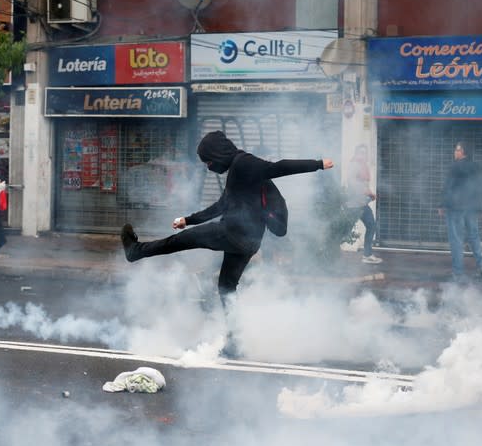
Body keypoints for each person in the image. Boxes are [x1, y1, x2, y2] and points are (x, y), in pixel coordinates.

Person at [120, 130, 334, 355]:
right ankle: (234, 343)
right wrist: (189, 220)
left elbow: (278, 167)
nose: (209, 166)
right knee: (226, 287)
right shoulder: (238, 172)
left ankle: (135, 251)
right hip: (249, 242)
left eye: (208, 161)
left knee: (177, 242)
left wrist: (317, 164)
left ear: (218, 154)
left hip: (232, 233)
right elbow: (222, 205)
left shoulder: (244, 164)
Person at [438, 141, 482, 282]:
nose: (455, 152)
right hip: (472, 208)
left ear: (463, 152)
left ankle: (458, 273)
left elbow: (448, 187)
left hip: (455, 208)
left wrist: (442, 205)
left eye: (457, 150)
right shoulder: (478, 167)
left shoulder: (455, 167)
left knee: (456, 239)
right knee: (474, 237)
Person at [346, 144, 381, 264]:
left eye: (365, 152)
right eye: (361, 152)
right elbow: (352, 182)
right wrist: (366, 192)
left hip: (361, 203)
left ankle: (367, 254)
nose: (363, 155)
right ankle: (327, 250)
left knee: (371, 226)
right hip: (354, 204)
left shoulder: (362, 165)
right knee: (344, 229)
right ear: (356, 153)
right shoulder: (354, 164)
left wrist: (370, 193)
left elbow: (363, 183)